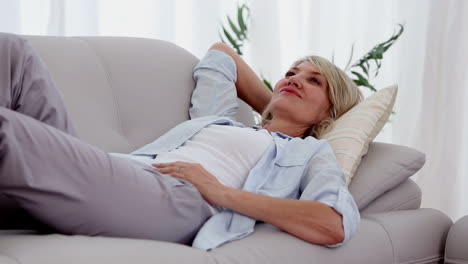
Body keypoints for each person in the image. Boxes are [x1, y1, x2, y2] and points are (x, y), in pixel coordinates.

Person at [0, 33, 362, 250]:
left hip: (179, 199)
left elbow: (332, 223)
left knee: (8, 131)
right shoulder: (223, 120)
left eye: (315, 81)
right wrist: (275, 104)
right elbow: (221, 55)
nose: (295, 78)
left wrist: (222, 193)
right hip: (119, 171)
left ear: (330, 113)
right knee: (12, 53)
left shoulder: (310, 151)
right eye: (291, 73)